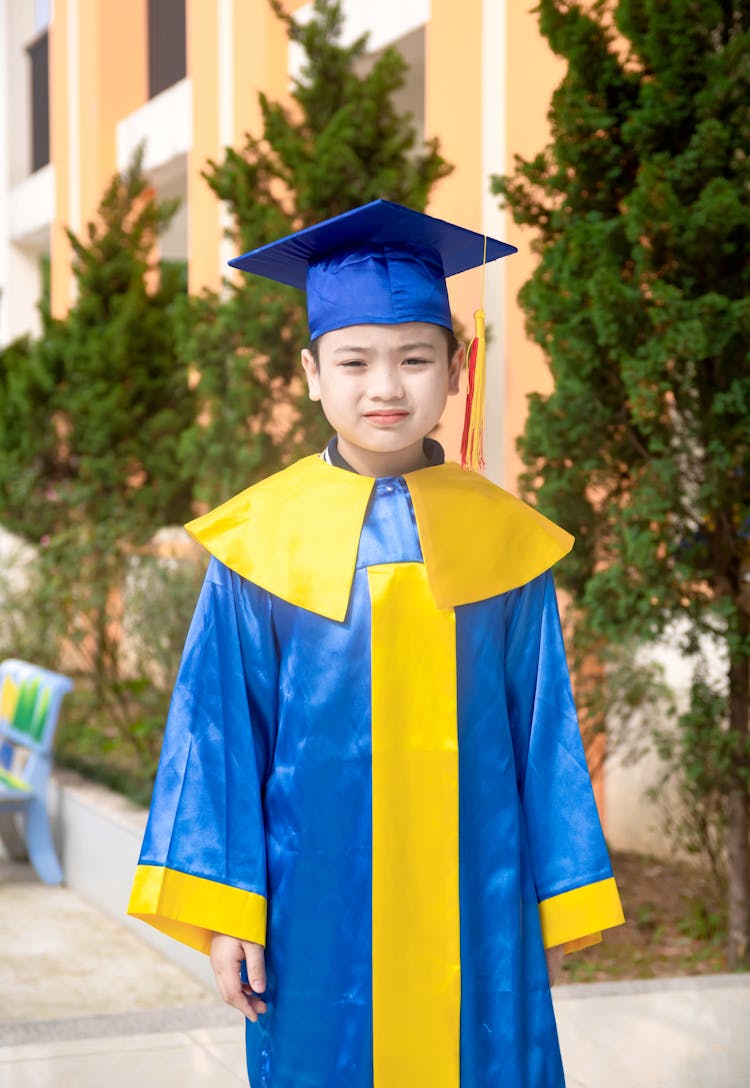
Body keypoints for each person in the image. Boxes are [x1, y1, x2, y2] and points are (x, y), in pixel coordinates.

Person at [128, 200, 624, 1088]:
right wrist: (227, 913)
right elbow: (217, 738)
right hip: (313, 905)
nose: (385, 387)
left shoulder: (504, 542)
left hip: (482, 898)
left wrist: (559, 901)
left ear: (457, 368)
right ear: (312, 372)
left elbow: (543, 732)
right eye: (354, 361)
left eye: (414, 358)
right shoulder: (258, 542)